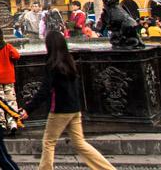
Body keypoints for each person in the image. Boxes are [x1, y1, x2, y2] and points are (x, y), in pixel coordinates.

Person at [21, 31, 116, 170]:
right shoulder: (69, 61)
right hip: (74, 109)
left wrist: (28, 109)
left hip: (60, 110)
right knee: (80, 143)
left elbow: (44, 90)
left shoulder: (52, 65)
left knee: (48, 142)